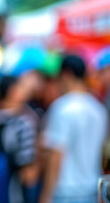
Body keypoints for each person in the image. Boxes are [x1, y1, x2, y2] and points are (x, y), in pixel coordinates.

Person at [39, 55, 108, 203]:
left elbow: (55, 156)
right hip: (92, 191)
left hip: (65, 193)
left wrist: (45, 197)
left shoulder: (61, 107)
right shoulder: (99, 110)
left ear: (66, 74)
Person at [0, 74, 41, 203]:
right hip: (13, 186)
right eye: (20, 86)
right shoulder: (23, 121)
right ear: (12, 91)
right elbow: (28, 174)